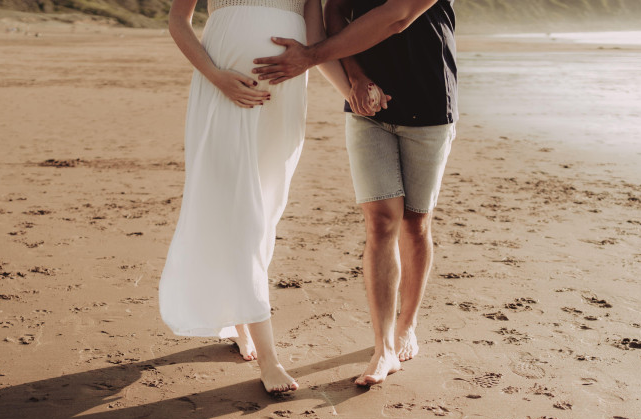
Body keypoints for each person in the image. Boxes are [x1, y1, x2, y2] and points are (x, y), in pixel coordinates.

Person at [252, 0, 457, 386]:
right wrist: (355, 77)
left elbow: (397, 17)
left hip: (429, 105)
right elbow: (335, 11)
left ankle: (407, 324)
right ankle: (384, 349)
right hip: (366, 107)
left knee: (415, 224)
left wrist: (311, 56)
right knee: (381, 224)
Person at [159, 0, 351, 393]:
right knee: (240, 210)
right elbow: (178, 20)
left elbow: (316, 42)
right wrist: (215, 75)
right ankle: (269, 358)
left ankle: (241, 316)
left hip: (284, 99)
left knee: (264, 211)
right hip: (223, 91)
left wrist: (350, 91)